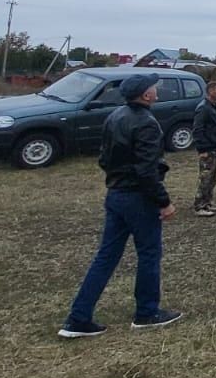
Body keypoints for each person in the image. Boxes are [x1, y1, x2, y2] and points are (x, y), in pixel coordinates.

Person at [59, 73, 183, 338]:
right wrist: (164, 202)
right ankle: (147, 313)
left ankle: (78, 318)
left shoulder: (115, 116)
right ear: (145, 95)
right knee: (149, 253)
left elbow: (104, 158)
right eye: (152, 87)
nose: (156, 89)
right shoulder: (146, 123)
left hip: (116, 194)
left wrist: (118, 178)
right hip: (138, 198)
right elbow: (147, 170)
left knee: (106, 257)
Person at [190, 80, 216, 217]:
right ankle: (199, 205)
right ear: (210, 91)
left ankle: (208, 202)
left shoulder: (215, 106)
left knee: (213, 178)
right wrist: (202, 150)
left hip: (215, 148)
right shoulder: (203, 108)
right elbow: (197, 130)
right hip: (207, 149)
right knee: (205, 178)